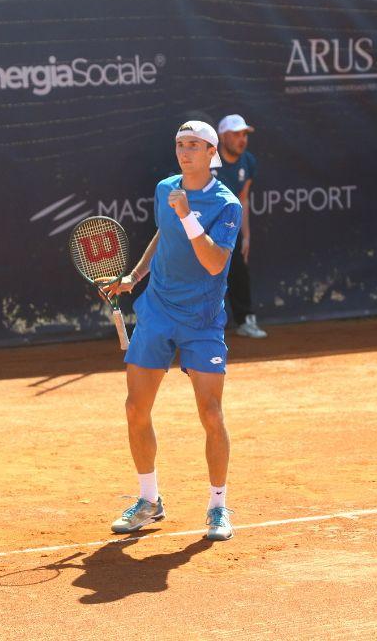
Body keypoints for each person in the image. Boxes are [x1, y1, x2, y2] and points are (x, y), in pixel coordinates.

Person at [102, 120, 243, 541]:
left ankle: (218, 506)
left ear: (212, 153)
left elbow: (214, 263)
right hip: (158, 312)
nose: (185, 151)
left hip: (202, 320)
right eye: (181, 144)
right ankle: (149, 500)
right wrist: (134, 276)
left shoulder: (226, 204)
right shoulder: (166, 189)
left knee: (211, 414)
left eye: (195, 145)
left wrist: (188, 215)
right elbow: (164, 233)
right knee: (135, 408)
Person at [215, 114, 267, 338]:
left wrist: (245, 235)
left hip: (229, 227)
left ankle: (245, 320)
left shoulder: (248, 161)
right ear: (222, 136)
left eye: (244, 134)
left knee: (239, 270)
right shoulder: (208, 160)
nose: (242, 139)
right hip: (202, 227)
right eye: (236, 134)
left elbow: (242, 199)